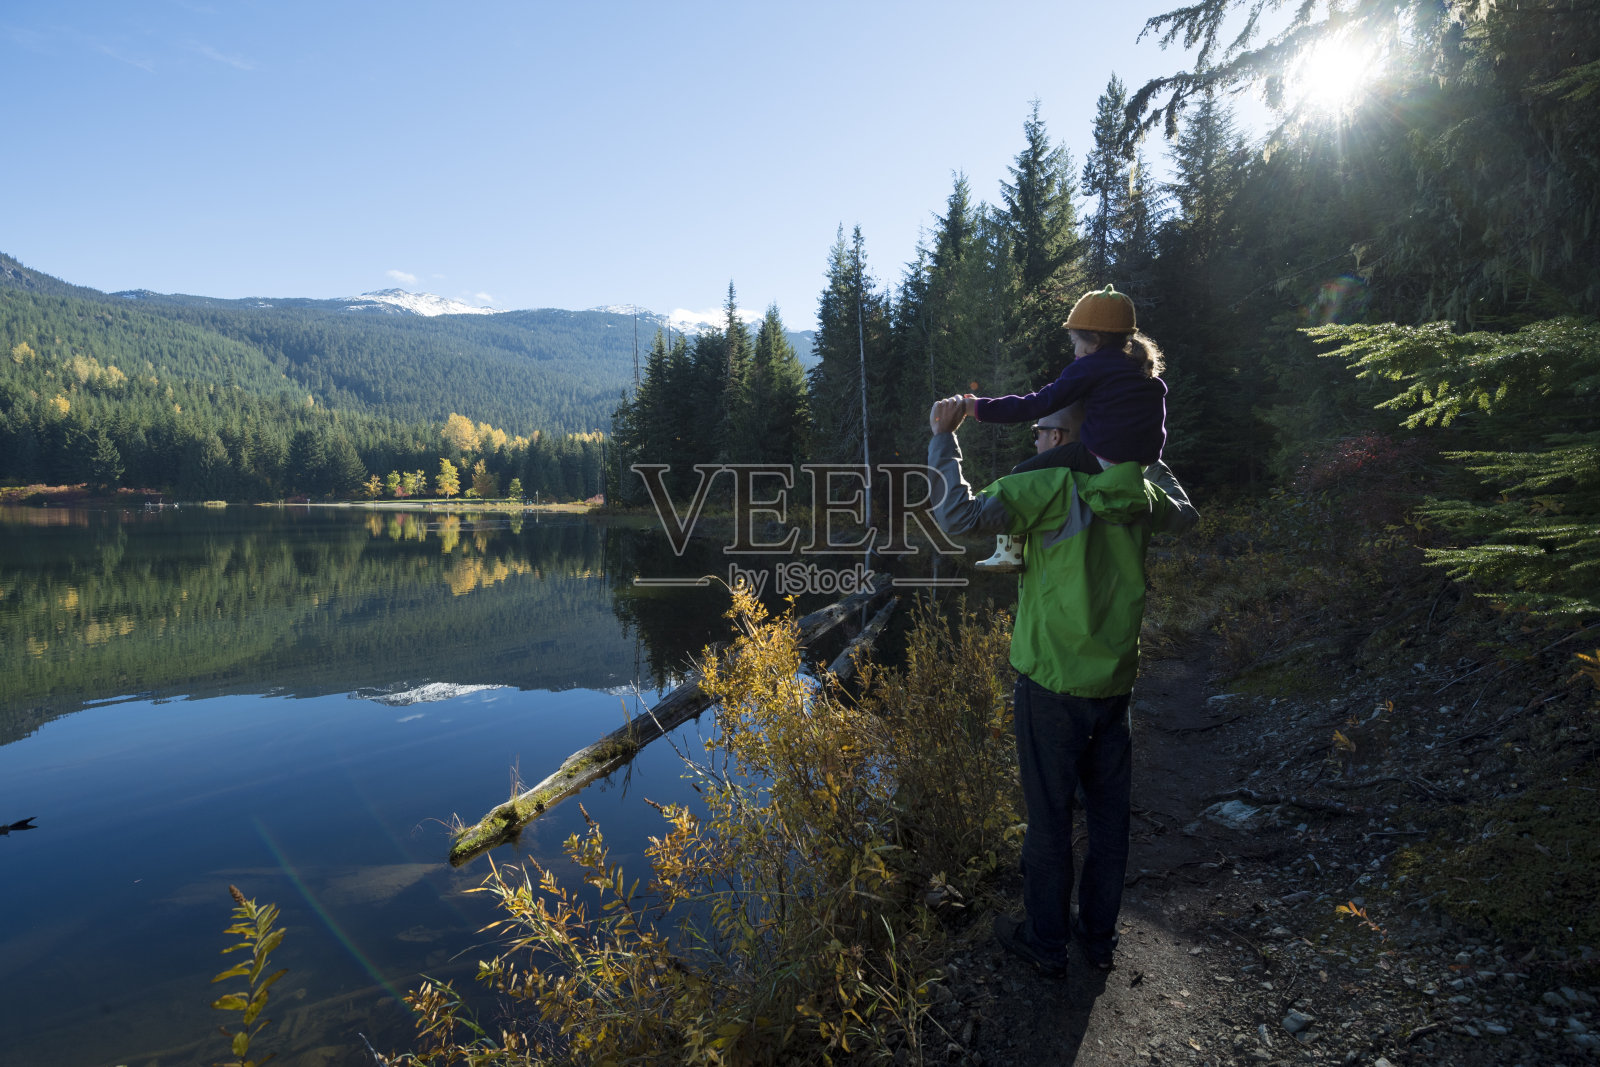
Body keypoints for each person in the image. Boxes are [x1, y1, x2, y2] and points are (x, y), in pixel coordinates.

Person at [925, 393, 1196, 977]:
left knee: (1049, 823)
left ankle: (1045, 943)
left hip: (1050, 685)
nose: (1036, 442)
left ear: (1067, 439)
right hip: (1114, 686)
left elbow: (958, 518)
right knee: (1107, 821)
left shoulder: (1049, 487)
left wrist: (944, 440)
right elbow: (1186, 510)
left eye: (1043, 432)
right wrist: (1145, 448)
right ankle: (1098, 939)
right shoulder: (1141, 492)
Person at [966, 285, 1168, 573]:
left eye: (1075, 342)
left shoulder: (1090, 367)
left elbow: (1037, 404)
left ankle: (1008, 553)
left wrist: (978, 408)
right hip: (1141, 463)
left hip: (1104, 457)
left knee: (1020, 476)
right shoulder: (1140, 369)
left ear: (1095, 340)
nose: (1074, 351)